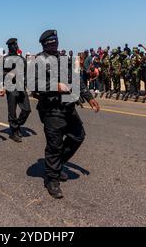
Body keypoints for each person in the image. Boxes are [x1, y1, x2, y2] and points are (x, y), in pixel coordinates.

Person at [32, 30, 100, 199]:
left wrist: (89, 97)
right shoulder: (38, 61)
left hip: (68, 106)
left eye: (56, 42)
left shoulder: (63, 59)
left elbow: (76, 79)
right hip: (51, 109)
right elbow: (33, 85)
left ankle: (57, 165)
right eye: (51, 43)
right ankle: (52, 179)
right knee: (54, 145)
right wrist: (55, 86)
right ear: (44, 45)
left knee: (78, 136)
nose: (54, 45)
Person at [0, 38, 31, 143]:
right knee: (12, 112)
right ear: (9, 47)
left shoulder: (21, 59)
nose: (16, 46)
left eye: (16, 44)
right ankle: (13, 132)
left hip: (21, 88)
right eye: (13, 45)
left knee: (27, 109)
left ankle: (16, 125)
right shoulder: (5, 59)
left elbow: (26, 73)